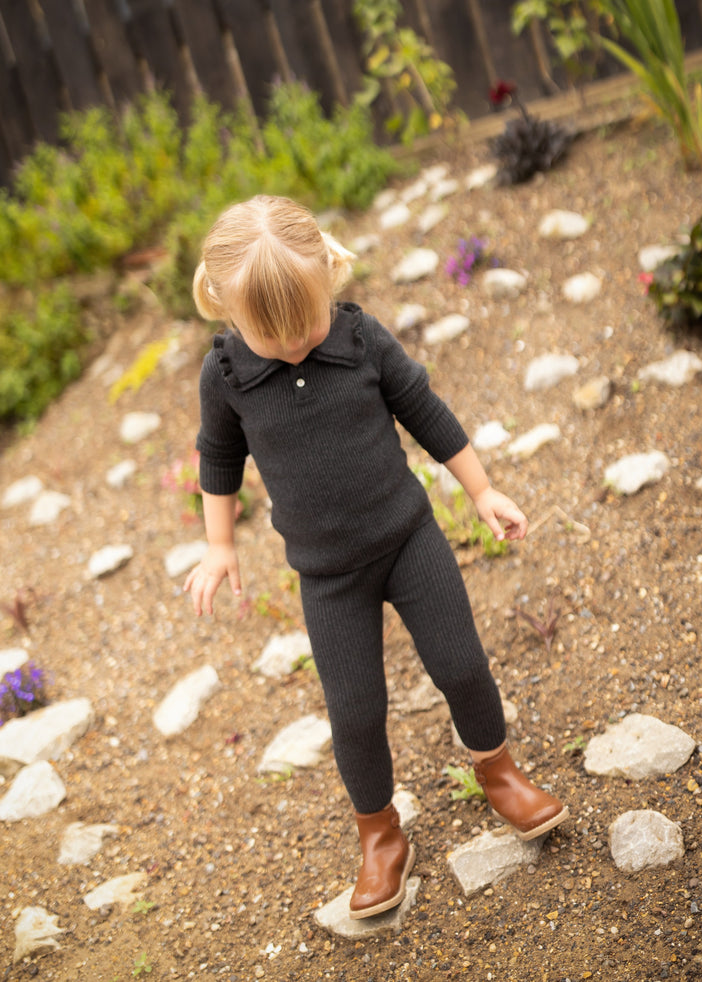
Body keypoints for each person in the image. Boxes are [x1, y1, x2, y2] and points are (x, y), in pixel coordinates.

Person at [184, 194, 568, 919]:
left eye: (308, 321)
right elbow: (218, 455)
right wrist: (216, 544)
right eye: (273, 334)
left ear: (329, 273)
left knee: (460, 663)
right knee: (355, 711)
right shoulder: (226, 377)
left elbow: (422, 408)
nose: (296, 343)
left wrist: (482, 490)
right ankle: (380, 834)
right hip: (328, 578)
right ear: (229, 314)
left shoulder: (360, 339)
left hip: (407, 540)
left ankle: (498, 770)